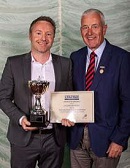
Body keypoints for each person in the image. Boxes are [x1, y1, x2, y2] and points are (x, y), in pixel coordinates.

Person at [0, 16, 73, 168]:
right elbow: (3, 97)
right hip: (23, 139)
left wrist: (69, 114)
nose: (43, 38)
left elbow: (69, 96)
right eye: (38, 33)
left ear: (53, 37)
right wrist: (20, 119)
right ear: (30, 35)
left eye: (49, 34)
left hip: (54, 138)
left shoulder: (65, 64)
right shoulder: (14, 63)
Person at [67, 8, 130, 168]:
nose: (89, 32)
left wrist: (119, 139)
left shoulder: (122, 58)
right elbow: (70, 94)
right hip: (77, 138)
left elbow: (128, 102)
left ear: (104, 28)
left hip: (108, 140)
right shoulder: (75, 57)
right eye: (85, 27)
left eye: (94, 26)